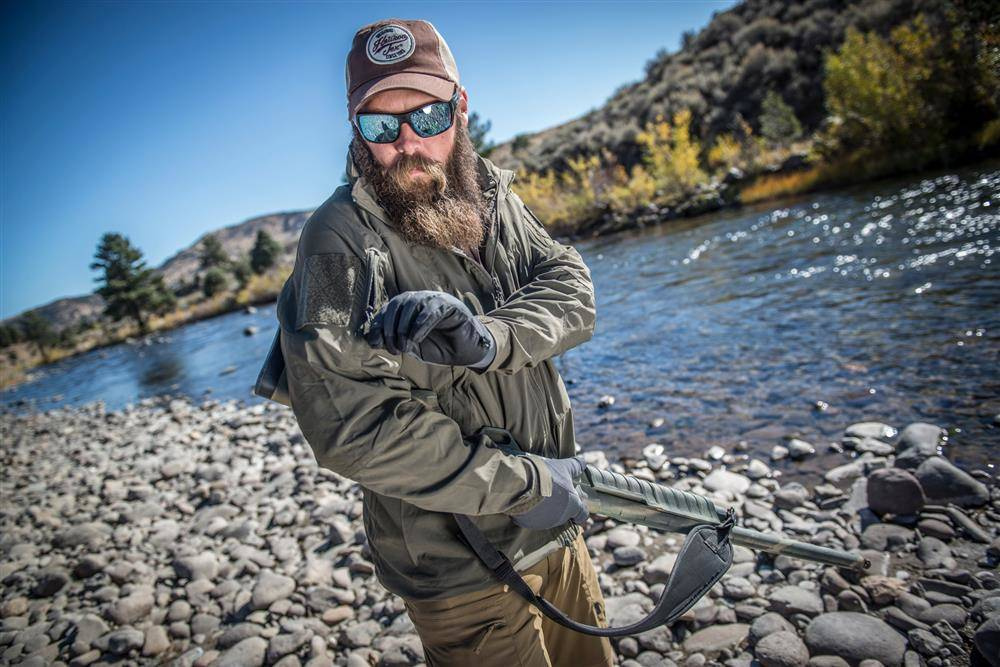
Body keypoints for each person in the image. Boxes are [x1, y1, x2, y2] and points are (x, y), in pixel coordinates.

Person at [275, 17, 615, 666]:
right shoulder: (332, 245)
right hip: (467, 574)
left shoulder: (490, 191)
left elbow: (571, 287)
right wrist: (527, 486)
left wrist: (491, 339)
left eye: (427, 116)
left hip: (559, 527)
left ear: (459, 107)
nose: (407, 143)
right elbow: (349, 427)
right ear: (356, 130)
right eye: (381, 126)